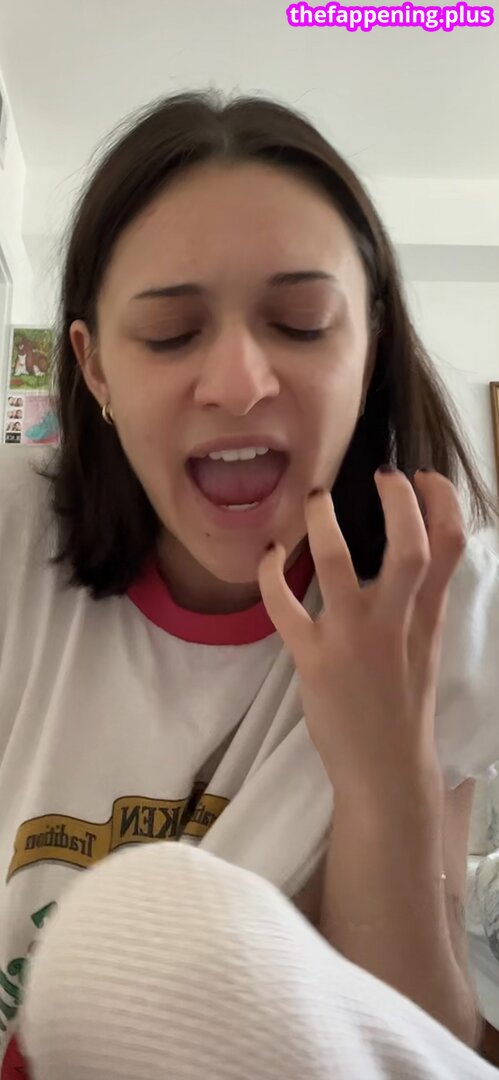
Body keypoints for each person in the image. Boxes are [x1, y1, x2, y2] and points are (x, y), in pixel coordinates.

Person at [1, 89, 499, 1078]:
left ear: (370, 344)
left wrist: (381, 773)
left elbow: (417, 1048)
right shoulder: (12, 540)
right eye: (170, 333)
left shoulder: (440, 600)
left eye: (302, 324)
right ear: (93, 370)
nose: (237, 382)